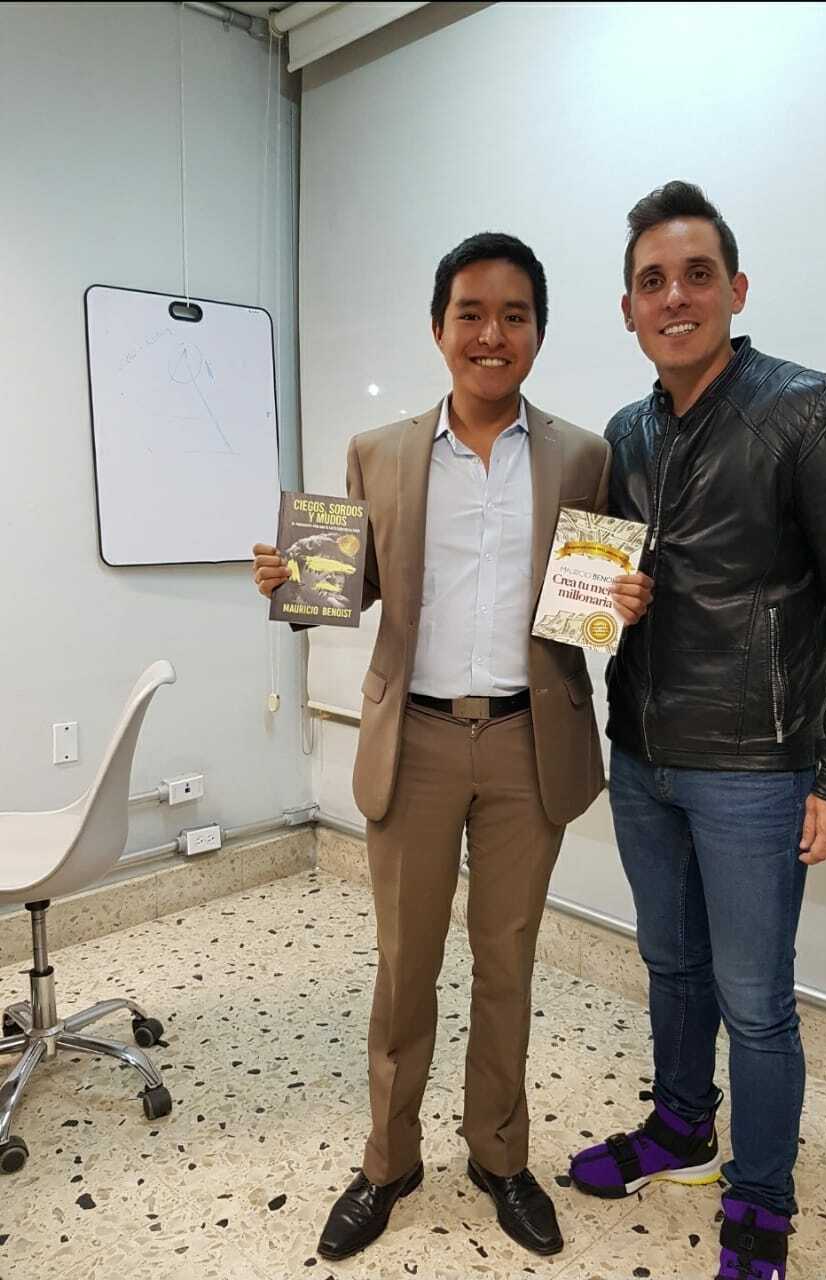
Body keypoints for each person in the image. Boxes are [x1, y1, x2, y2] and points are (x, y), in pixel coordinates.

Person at [253, 232, 651, 1262]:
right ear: (439, 328)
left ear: (538, 333)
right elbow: (352, 585)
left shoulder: (582, 457)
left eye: (514, 315)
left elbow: (583, 599)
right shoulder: (377, 452)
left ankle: (499, 1157)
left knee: (506, 963)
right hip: (416, 739)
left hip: (528, 741)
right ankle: (389, 1161)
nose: (491, 334)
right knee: (405, 966)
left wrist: (620, 598)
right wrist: (291, 583)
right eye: (471, 312)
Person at [567, 182, 826, 1280]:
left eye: (696, 275)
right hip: (643, 755)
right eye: (652, 281)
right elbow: (604, 590)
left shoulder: (810, 411)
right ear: (628, 309)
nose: (674, 297)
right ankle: (681, 1127)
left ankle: (761, 1198)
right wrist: (608, 600)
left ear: (735, 289)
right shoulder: (627, 432)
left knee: (757, 1003)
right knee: (670, 966)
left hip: (758, 770)